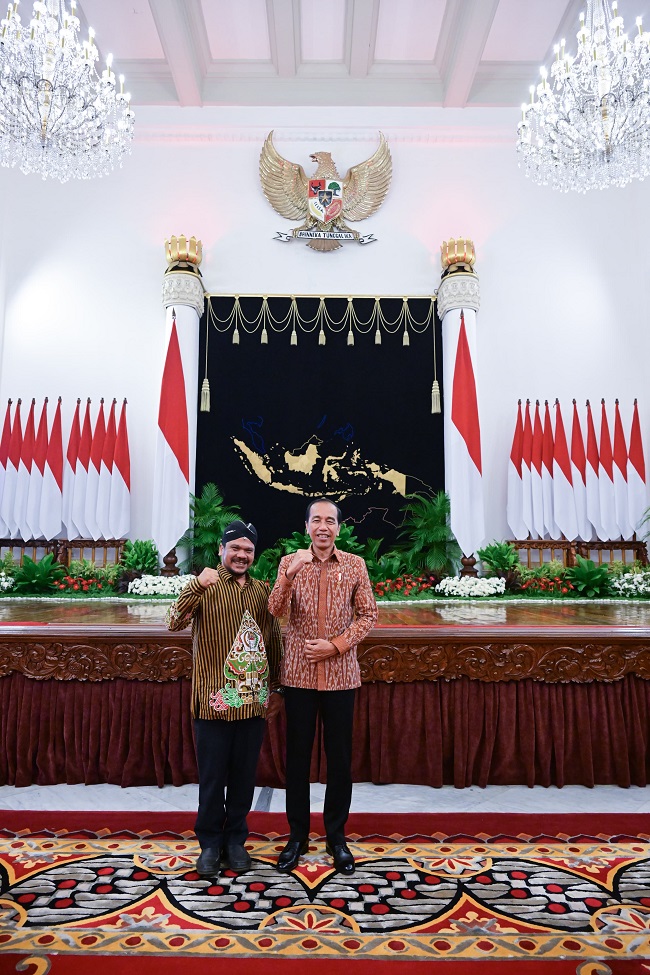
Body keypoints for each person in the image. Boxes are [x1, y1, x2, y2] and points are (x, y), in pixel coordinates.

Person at [268, 498, 377, 876]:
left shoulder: (354, 565)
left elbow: (368, 615)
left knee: (339, 761)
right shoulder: (290, 562)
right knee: (296, 761)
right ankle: (297, 837)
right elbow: (274, 610)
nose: (323, 527)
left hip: (341, 678)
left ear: (339, 528)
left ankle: (336, 837)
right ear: (307, 526)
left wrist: (336, 645)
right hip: (297, 678)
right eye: (317, 520)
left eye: (330, 521)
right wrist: (289, 574)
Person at [167, 520, 282, 878]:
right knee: (213, 778)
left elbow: (274, 641)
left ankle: (236, 840)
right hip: (213, 702)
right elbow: (173, 622)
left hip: (252, 700)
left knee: (244, 776)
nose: (242, 555)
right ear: (222, 549)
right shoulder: (206, 585)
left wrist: (276, 688)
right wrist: (195, 585)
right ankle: (210, 844)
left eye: (248, 550)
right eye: (236, 548)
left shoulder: (263, 592)